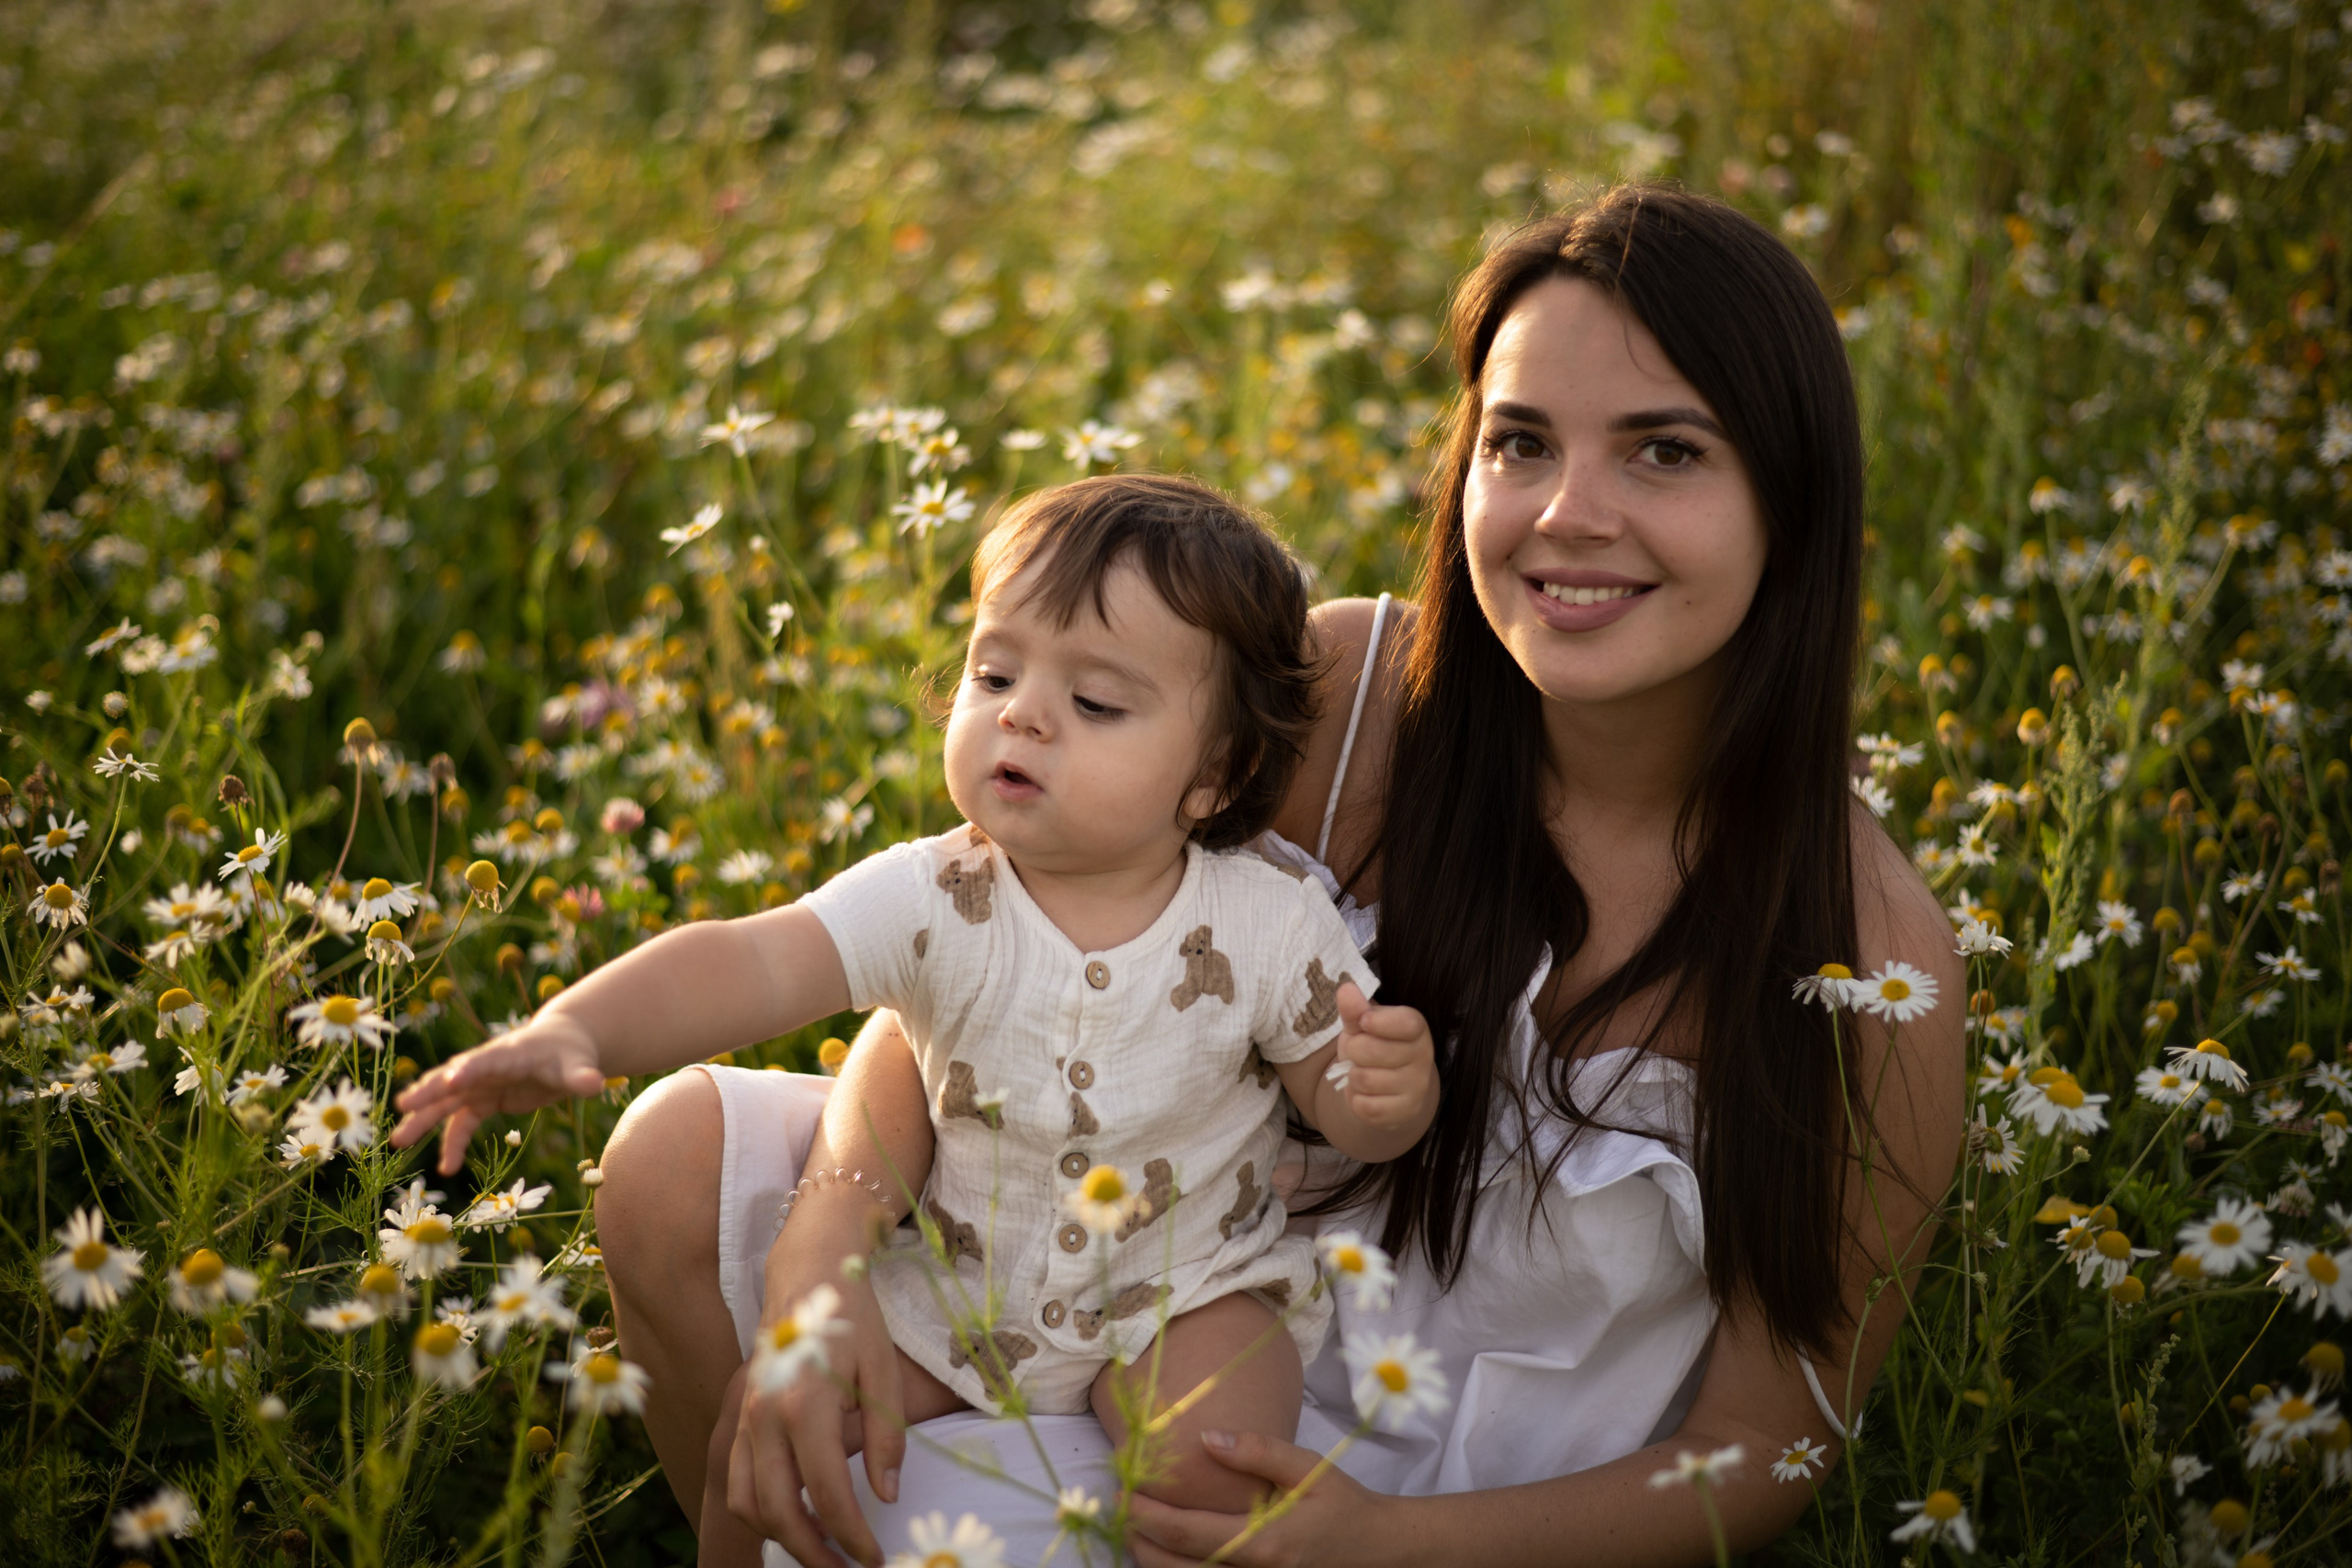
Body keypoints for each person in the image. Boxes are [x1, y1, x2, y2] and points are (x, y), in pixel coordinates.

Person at [489, 182, 1965, 1568]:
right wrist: (828, 1235)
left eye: (1665, 449)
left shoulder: (1862, 948)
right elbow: (1000, 955)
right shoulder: (1355, 687)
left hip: (1416, 1500)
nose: (1567, 510)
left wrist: (1380, 1543)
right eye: (1519, 442)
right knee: (674, 1159)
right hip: (1134, 1270)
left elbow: (1773, 1448)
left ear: (1792, 495)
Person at [390, 475, 1443, 1549]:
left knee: (1211, 1469)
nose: (1021, 713)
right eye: (995, 672)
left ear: (1215, 775)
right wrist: (576, 1030)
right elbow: (750, 961)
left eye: (1095, 704)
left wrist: (1383, 1095)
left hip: (1191, 1294)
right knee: (776, 1433)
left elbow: (1340, 1096)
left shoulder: (1266, 920)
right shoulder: (938, 896)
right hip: (947, 1301)